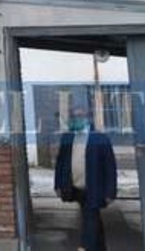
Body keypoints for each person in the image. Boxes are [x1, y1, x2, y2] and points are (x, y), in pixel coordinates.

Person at [54, 98, 118, 251]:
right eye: (74, 117)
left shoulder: (100, 139)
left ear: (88, 118)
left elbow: (110, 167)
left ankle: (84, 247)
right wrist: (58, 184)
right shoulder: (68, 138)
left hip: (94, 187)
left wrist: (110, 192)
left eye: (80, 116)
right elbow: (60, 163)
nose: (77, 119)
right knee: (92, 218)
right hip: (76, 187)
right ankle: (100, 247)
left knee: (90, 218)